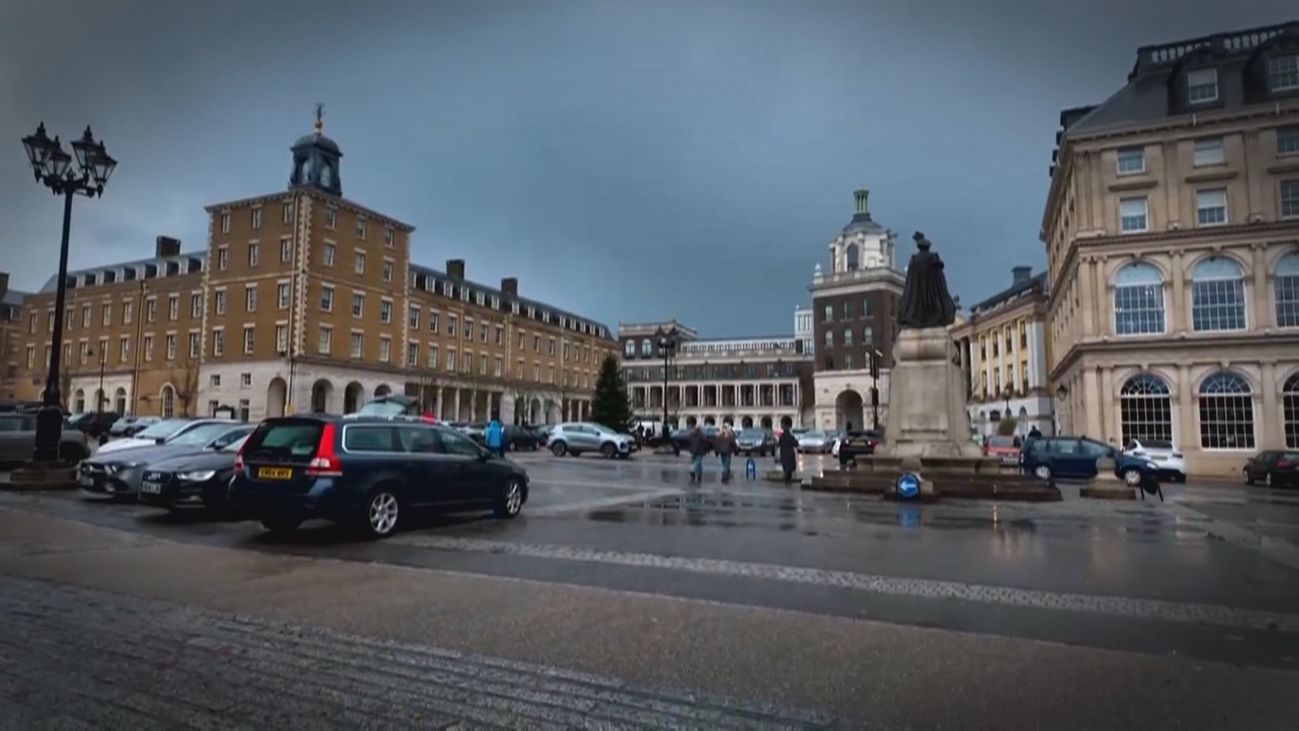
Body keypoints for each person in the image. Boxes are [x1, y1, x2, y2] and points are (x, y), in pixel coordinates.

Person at [777, 417, 798, 485]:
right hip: (788, 454)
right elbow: (796, 443)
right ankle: (787, 480)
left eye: (782, 424)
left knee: (787, 468)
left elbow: (779, 444)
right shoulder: (789, 434)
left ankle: (787, 480)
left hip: (785, 454)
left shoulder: (784, 435)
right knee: (789, 469)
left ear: (785, 425)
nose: (781, 426)